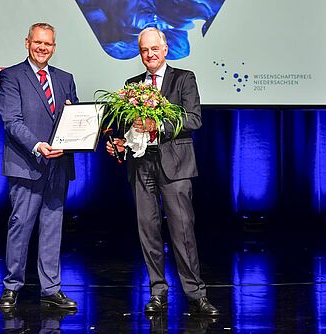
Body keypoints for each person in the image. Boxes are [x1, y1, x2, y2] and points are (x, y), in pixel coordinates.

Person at [106, 27, 219, 316]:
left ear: (166, 49)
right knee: (148, 231)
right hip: (141, 165)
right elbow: (127, 129)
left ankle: (195, 293)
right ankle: (158, 291)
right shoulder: (132, 85)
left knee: (182, 231)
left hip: (176, 165)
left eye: (154, 49)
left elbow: (194, 119)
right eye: (144, 50)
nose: (149, 55)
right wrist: (120, 145)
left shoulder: (183, 79)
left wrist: (159, 127)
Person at [0, 22, 78, 310]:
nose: (43, 48)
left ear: (54, 47)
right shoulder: (11, 76)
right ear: (27, 42)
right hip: (27, 163)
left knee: (53, 228)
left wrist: (73, 125)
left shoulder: (65, 78)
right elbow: (11, 121)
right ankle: (12, 286)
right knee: (21, 225)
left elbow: (76, 118)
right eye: (38, 42)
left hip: (58, 166)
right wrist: (37, 146)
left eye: (48, 44)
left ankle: (51, 289)